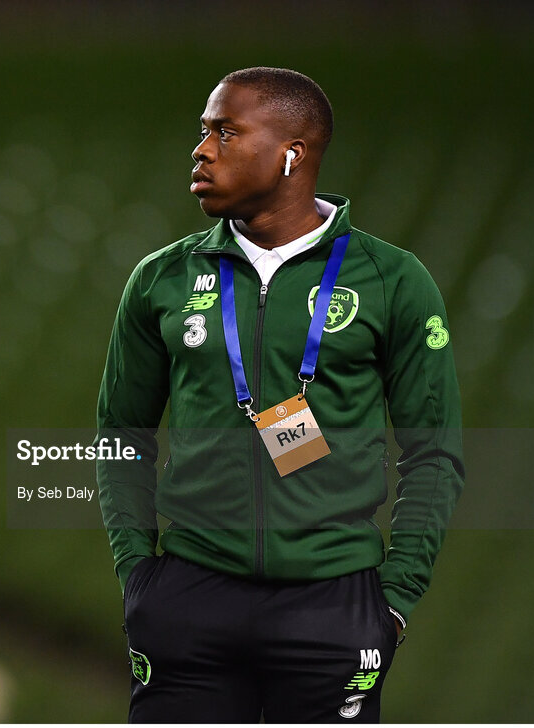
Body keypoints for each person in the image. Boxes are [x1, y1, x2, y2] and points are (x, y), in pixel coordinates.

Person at [94, 67, 465, 723]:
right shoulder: (160, 278)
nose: (201, 149)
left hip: (334, 606)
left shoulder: (393, 280)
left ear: (292, 154)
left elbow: (434, 453)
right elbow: (122, 435)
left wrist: (396, 599)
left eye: (225, 132)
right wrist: (139, 579)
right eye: (204, 131)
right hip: (188, 596)